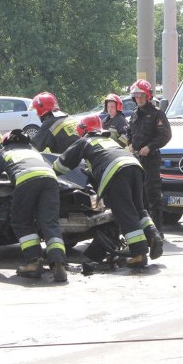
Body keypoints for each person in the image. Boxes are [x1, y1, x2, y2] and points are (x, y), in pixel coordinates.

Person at [54, 114, 164, 268]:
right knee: (138, 209)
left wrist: (51, 173)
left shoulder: (85, 141)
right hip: (135, 166)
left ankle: (138, 254)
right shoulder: (109, 140)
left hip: (117, 172)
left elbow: (61, 165)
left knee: (125, 212)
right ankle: (154, 236)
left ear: (83, 130)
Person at [0, 128, 68, 282]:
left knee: (21, 221)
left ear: (6, 143)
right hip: (50, 180)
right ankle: (58, 263)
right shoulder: (34, 152)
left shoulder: (5, 152)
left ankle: (34, 262)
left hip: (26, 181)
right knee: (49, 222)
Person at [126, 79, 172, 232]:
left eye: (141, 95)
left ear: (147, 96)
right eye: (136, 96)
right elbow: (129, 133)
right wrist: (130, 145)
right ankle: (145, 230)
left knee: (152, 195)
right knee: (139, 196)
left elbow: (165, 135)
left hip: (150, 160)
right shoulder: (134, 115)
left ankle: (158, 230)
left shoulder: (157, 115)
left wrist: (149, 147)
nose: (138, 99)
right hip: (136, 160)